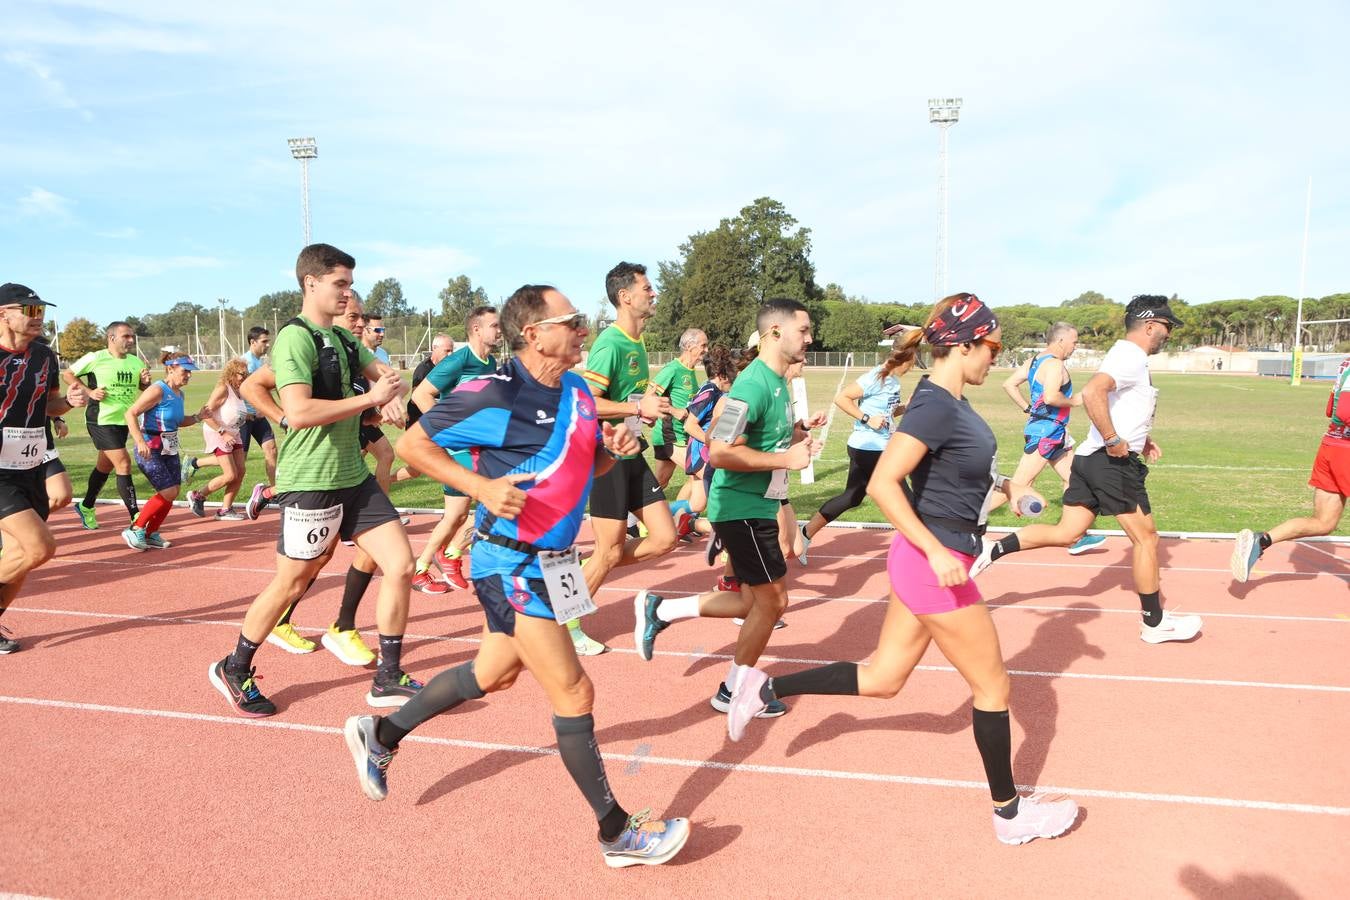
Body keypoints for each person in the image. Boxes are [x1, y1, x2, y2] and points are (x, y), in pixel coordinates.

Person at [344, 283, 690, 868]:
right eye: (573, 321)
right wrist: (479, 487)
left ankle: (381, 736)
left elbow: (593, 460)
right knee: (575, 690)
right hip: (510, 563)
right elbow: (412, 443)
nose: (584, 329)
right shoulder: (493, 393)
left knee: (493, 674)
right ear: (533, 335)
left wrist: (615, 444)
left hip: (554, 563)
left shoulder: (578, 388)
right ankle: (616, 834)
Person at [726, 293, 1080, 845]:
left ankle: (764, 685)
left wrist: (1006, 488)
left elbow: (947, 475)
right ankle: (1010, 816)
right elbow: (884, 482)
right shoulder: (936, 402)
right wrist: (938, 552)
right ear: (964, 345)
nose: (997, 357)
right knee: (993, 685)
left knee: (884, 680)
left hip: (927, 559)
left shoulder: (950, 402)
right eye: (993, 346)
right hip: (933, 562)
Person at [208, 243, 421, 716]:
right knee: (293, 582)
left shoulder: (345, 340)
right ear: (311, 283)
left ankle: (388, 675)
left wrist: (390, 392)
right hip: (313, 479)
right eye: (340, 285)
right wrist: (367, 401)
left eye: (350, 286)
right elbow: (301, 412)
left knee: (401, 564)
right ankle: (235, 665)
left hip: (353, 475)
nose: (348, 295)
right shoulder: (294, 339)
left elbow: (385, 373)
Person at [970, 295, 1203, 645]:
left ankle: (993, 549)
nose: (1168, 334)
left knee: (1067, 532)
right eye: (1167, 327)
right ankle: (1154, 624)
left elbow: (1118, 402)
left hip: (1091, 459)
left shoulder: (1126, 355)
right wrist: (1114, 440)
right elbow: (1094, 393)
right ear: (1151, 325)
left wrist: (1142, 438)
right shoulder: (1130, 356)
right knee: (1147, 538)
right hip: (1110, 462)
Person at [633, 299, 824, 720]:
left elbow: (762, 439)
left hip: (757, 504)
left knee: (752, 604)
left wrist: (797, 435)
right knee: (773, 603)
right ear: (775, 332)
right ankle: (734, 691)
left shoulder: (777, 383)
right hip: (741, 508)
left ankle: (661, 610)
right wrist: (784, 460)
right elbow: (718, 451)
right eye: (804, 330)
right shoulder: (753, 385)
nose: (811, 339)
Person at [574, 262, 678, 655]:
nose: (653, 294)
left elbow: (630, 402)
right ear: (625, 297)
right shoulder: (611, 343)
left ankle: (582, 571)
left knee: (665, 538)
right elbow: (585, 403)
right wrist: (636, 410)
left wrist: (648, 407)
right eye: (647, 288)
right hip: (605, 454)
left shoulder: (637, 340)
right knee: (610, 550)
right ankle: (567, 621)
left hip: (631, 450)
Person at [0, 284, 86, 655]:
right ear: (3, 313)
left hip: (31, 462)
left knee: (22, 557)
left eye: (41, 311)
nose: (39, 318)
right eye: (30, 311)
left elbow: (49, 404)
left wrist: (67, 401)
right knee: (40, 547)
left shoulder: (44, 356)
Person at [1232, 352, 1350, 581]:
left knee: (1323, 522)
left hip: (1331, 447)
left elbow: (1331, 409)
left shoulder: (1346, 362)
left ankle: (1261, 541)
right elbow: (1345, 412)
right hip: (1345, 449)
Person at [407, 306, 500, 593]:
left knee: (457, 514)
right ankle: (449, 556)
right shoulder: (458, 361)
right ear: (476, 329)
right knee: (491, 504)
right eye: (495, 326)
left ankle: (424, 566)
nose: (500, 331)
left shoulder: (491, 362)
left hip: (480, 446)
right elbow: (420, 394)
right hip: (461, 447)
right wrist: (448, 432)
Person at [990, 323, 1105, 556]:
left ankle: (1073, 536)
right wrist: (1075, 401)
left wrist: (1027, 408)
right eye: (1074, 342)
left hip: (1053, 432)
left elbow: (1009, 384)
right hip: (1046, 434)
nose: (1075, 347)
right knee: (1018, 487)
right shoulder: (1054, 364)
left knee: (1075, 480)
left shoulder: (1035, 361)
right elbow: (1052, 397)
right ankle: (963, 522)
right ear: (1061, 341)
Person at [797, 344, 913, 564]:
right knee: (905, 500)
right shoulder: (876, 376)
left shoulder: (894, 381)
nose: (912, 366)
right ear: (903, 358)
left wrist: (905, 407)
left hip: (874, 447)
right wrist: (867, 418)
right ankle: (917, 554)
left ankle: (804, 535)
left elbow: (888, 411)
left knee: (852, 496)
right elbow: (842, 398)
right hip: (870, 448)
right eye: (912, 360)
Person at [63, 320, 148, 528]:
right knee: (124, 463)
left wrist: (145, 383)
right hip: (101, 419)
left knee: (104, 465)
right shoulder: (96, 358)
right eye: (126, 336)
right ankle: (136, 517)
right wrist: (89, 391)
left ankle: (86, 505)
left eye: (132, 336)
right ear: (112, 338)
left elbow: (144, 390)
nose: (130, 340)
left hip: (125, 421)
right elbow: (67, 374)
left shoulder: (136, 362)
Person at [121, 352, 204, 550]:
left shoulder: (179, 394)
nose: (189, 375)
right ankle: (136, 528)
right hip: (151, 448)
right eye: (185, 371)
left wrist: (198, 417)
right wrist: (140, 441)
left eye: (190, 372)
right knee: (167, 491)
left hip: (169, 448)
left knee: (173, 492)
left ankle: (151, 533)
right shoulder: (158, 389)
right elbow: (130, 413)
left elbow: (178, 420)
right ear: (170, 369)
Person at [185, 358, 250, 520]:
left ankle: (225, 510)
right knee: (230, 475)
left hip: (234, 433)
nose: (244, 377)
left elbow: (233, 412)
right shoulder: (223, 389)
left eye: (246, 374)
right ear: (231, 373)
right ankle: (198, 495)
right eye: (241, 374)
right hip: (218, 433)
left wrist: (250, 416)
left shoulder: (239, 390)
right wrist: (223, 432)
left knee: (240, 472)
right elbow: (206, 415)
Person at [650, 328, 707, 490]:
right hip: (669, 435)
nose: (706, 350)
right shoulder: (672, 369)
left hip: (683, 433)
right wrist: (675, 411)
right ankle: (686, 513)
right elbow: (649, 395)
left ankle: (635, 511)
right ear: (690, 346)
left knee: (661, 482)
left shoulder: (690, 371)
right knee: (703, 472)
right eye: (703, 345)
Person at [235, 327, 280, 520]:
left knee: (271, 449)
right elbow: (236, 390)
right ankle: (201, 491)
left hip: (258, 418)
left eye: (268, 341)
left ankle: (275, 493)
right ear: (252, 342)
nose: (267, 345)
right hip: (245, 419)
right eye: (264, 341)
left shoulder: (259, 362)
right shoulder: (243, 363)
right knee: (238, 466)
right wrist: (247, 410)